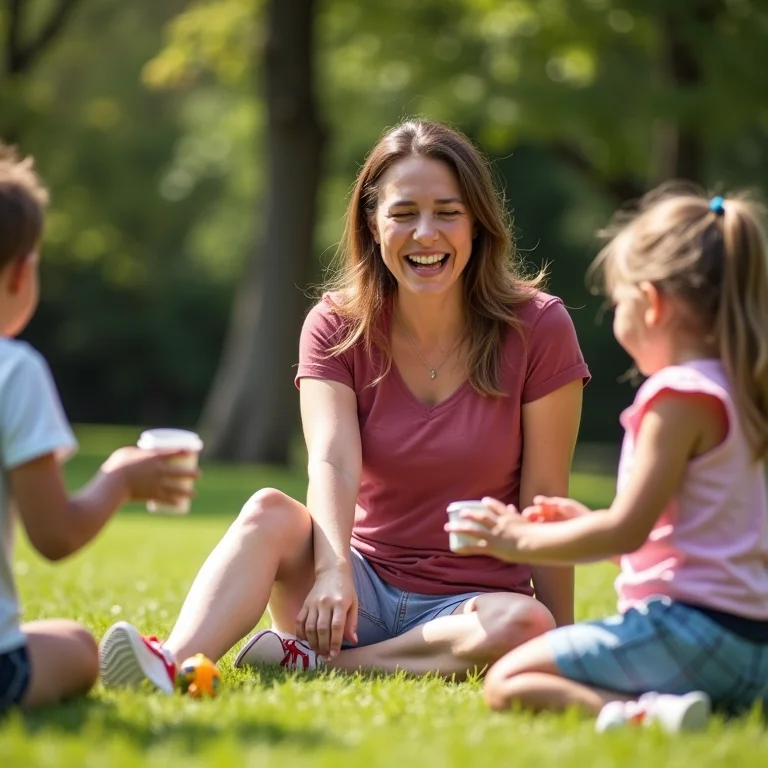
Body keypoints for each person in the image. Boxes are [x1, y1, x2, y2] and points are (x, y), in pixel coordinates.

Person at [99, 118, 589, 692]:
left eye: (447, 212)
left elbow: (545, 497)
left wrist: (565, 639)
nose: (425, 233)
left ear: (477, 224)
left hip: (470, 611)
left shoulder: (539, 327)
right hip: (346, 598)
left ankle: (310, 664)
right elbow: (332, 459)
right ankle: (168, 662)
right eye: (404, 213)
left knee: (527, 622)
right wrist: (333, 572)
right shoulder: (335, 325)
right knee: (267, 511)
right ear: (373, 225)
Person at [446, 185, 768, 732]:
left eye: (619, 301)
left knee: (508, 680)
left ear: (652, 302)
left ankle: (643, 718)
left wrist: (515, 539)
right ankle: (696, 706)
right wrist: (584, 522)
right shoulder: (744, 390)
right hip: (754, 649)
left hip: (689, 634)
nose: (616, 315)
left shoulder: (677, 397)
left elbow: (625, 532)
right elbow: (697, 533)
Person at [0, 143, 200, 714]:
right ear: (21, 272)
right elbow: (55, 536)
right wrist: (118, 479)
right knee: (78, 645)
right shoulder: (15, 371)